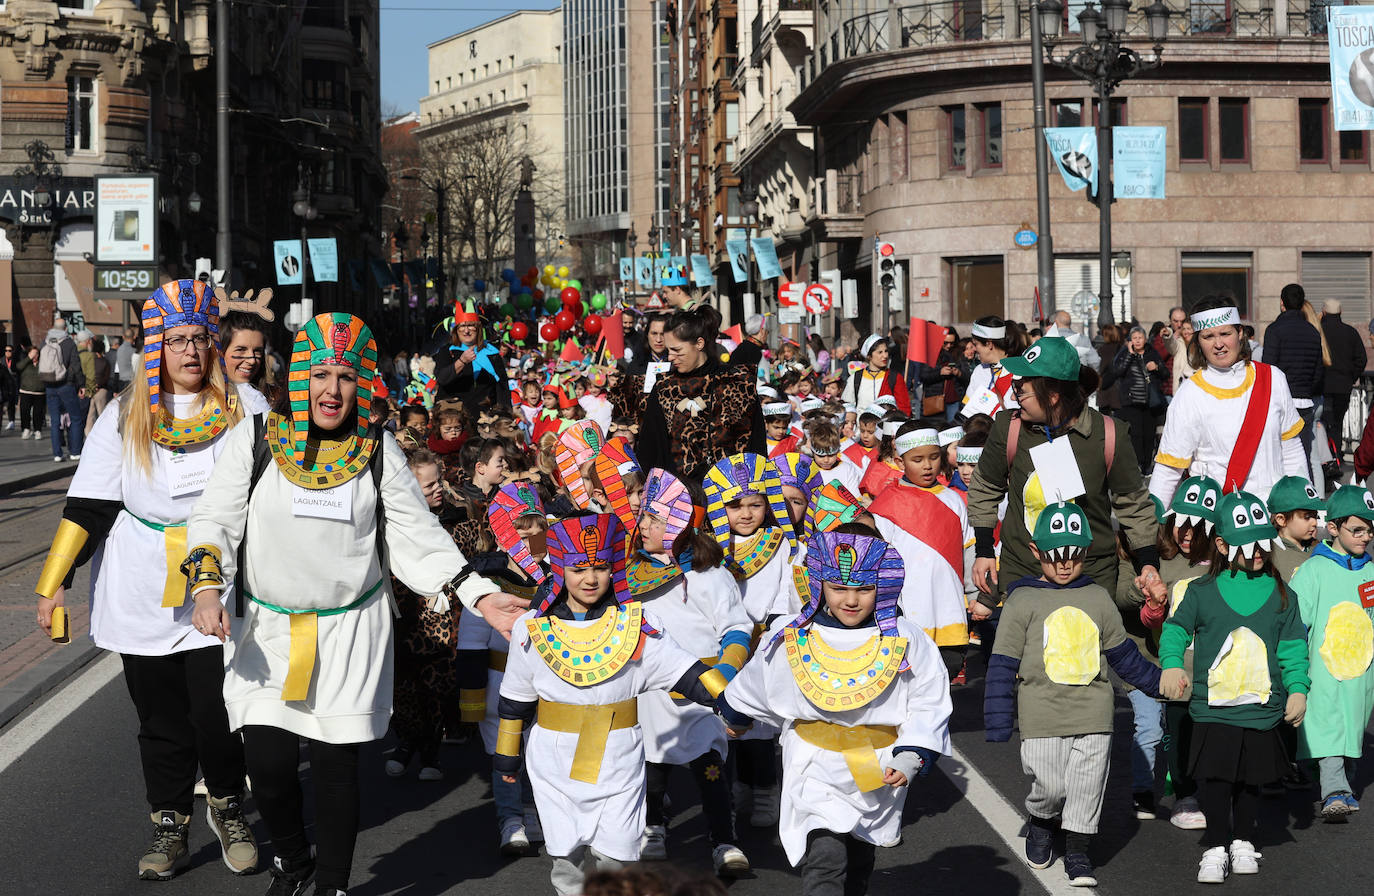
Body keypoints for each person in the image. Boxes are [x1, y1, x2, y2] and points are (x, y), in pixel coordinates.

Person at [184, 312, 529, 896]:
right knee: (267, 768)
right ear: (299, 376)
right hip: (265, 629)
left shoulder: (378, 452)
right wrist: (207, 586)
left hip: (349, 632)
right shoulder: (258, 437)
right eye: (320, 373)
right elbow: (213, 519)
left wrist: (480, 596)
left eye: (346, 375)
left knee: (336, 769)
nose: (332, 389)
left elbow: (421, 540)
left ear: (363, 382)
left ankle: (333, 885)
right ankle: (293, 861)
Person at [33, 279, 267, 882]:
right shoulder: (124, 413)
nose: (190, 352)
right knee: (159, 718)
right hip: (141, 580)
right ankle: (169, 823)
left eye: (199, 339)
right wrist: (52, 583)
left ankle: (227, 806)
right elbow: (88, 504)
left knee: (219, 713)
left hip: (222, 580)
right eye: (177, 340)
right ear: (157, 347)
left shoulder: (248, 407)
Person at [494, 513, 728, 896]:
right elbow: (514, 702)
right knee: (566, 863)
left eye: (601, 567)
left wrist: (727, 701)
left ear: (613, 567)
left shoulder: (638, 625)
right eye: (579, 568)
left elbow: (687, 672)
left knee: (618, 862)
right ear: (559, 568)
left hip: (618, 759)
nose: (591, 578)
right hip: (554, 762)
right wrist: (506, 760)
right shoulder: (531, 629)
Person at [718, 528, 952, 896]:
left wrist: (913, 754)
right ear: (820, 582)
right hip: (813, 764)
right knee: (826, 859)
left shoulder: (907, 639)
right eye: (840, 588)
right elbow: (759, 679)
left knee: (859, 860)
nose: (851, 600)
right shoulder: (793, 635)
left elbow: (929, 698)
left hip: (875, 764)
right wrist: (736, 714)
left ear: (884, 585)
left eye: (863, 589)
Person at [984, 502, 1161, 887]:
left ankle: (1079, 852)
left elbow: (1123, 656)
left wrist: (1161, 685)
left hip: (1094, 714)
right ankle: (1042, 821)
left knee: (1087, 788)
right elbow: (1002, 662)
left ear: (1086, 552)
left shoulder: (1098, 598)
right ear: (1036, 552)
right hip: (1042, 715)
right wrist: (998, 718)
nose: (1064, 565)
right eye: (1054, 556)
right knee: (1050, 785)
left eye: (1073, 556)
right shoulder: (1023, 600)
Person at [1159, 490, 1309, 883]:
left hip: (1260, 707)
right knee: (1216, 778)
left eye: (1263, 544)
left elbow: (1293, 648)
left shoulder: (1282, 595)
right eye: (1248, 544)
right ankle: (1214, 844)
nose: (1258, 552)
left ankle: (1243, 839)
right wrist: (1172, 666)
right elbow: (1175, 630)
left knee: (1250, 779)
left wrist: (1297, 688)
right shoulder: (1200, 591)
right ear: (1223, 544)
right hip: (1213, 707)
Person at [968, 337, 1164, 619]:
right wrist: (984, 550)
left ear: (1053, 395)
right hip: (1024, 574)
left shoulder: (1109, 434)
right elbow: (984, 488)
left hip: (1090, 578)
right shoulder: (1008, 428)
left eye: (1021, 389)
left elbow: (1133, 504)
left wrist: (1148, 562)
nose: (1013, 396)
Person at [630, 469, 752, 874]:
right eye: (643, 517)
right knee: (652, 765)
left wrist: (727, 678)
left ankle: (724, 841)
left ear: (682, 525)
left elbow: (736, 627)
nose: (643, 526)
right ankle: (653, 827)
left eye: (655, 519)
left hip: (702, 690)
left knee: (710, 768)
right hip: (649, 693)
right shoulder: (630, 575)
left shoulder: (709, 575)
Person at [1152, 296, 1308, 507]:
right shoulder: (1189, 394)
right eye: (1208, 336)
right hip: (1220, 522)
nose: (1218, 344)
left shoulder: (1273, 379)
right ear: (1198, 341)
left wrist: (1305, 506)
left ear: (1240, 333)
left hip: (1275, 517)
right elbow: (1169, 469)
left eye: (1225, 334)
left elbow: (1290, 449)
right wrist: (1152, 531)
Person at [1290, 485, 1374, 820]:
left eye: (1369, 530)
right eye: (1357, 530)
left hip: (1361, 671)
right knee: (1328, 723)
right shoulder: (1314, 571)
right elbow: (1297, 624)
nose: (1365, 537)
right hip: (1322, 672)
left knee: (1352, 726)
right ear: (1334, 528)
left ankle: (1327, 773)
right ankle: (1335, 791)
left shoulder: (1369, 571)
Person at [613, 305, 765, 480]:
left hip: (733, 494)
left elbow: (756, 445)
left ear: (699, 343)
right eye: (669, 350)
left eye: (677, 350)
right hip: (681, 497)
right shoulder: (665, 387)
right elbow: (651, 452)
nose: (670, 357)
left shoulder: (738, 383)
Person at [1262, 284, 1324, 476]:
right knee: (1302, 456)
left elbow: (1268, 368)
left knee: (1277, 456)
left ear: (1282, 303)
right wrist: (1305, 389)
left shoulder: (1274, 330)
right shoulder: (1313, 332)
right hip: (1305, 401)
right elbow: (1318, 371)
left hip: (1280, 402)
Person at [434, 302, 510, 416]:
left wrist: (506, 415)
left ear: (478, 328)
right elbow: (442, 379)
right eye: (462, 326)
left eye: (470, 325)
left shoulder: (492, 352)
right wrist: (462, 361)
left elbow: (502, 387)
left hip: (484, 417)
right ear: (456, 330)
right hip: (454, 416)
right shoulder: (447, 351)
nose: (466, 331)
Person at [1112, 326, 1167, 475]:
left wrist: (1156, 367)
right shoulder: (1124, 353)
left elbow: (1165, 373)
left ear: (1145, 339)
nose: (1137, 341)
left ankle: (1147, 465)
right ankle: (1138, 464)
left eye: (1140, 337)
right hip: (1132, 401)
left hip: (1150, 402)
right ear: (1130, 340)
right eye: (1134, 338)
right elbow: (1117, 371)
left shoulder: (1152, 352)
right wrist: (1130, 355)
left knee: (1149, 435)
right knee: (1135, 434)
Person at [1319, 299, 1367, 455]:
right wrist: (1351, 377)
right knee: (1338, 422)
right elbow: (1361, 359)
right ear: (1341, 312)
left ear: (1324, 312)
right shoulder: (1350, 332)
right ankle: (1336, 454)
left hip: (1323, 386)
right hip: (1343, 386)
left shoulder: (1319, 331)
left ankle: (1327, 457)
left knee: (1324, 423)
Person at [960, 316, 1027, 419]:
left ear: (989, 344)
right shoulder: (980, 370)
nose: (974, 349)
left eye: (976, 344)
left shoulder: (1021, 371)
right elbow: (967, 407)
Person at [41, 316, 85, 461]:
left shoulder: (45, 341)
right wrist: (81, 384)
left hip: (50, 385)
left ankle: (57, 454)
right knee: (76, 418)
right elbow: (76, 365)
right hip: (66, 384)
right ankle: (75, 452)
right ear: (65, 328)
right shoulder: (69, 343)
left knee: (54, 421)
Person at [840, 335, 911, 415]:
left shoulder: (895, 377)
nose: (885, 356)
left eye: (886, 351)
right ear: (869, 356)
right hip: (861, 426)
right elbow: (847, 407)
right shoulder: (856, 378)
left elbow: (904, 409)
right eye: (880, 352)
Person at [14, 341, 44, 439]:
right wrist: (29, 358)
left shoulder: (42, 364)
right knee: (25, 411)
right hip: (26, 392)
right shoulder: (26, 363)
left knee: (38, 413)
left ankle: (37, 430)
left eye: (37, 353)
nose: (35, 355)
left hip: (40, 393)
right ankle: (26, 429)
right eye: (33, 353)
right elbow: (18, 367)